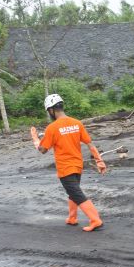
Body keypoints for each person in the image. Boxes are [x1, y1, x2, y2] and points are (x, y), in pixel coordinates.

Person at [30, 94, 106, 232]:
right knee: (73, 192)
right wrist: (99, 161)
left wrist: (35, 139)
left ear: (51, 110)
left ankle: (96, 221)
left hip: (65, 167)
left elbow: (43, 150)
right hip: (77, 165)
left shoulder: (52, 128)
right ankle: (72, 219)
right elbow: (90, 144)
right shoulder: (77, 123)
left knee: (76, 193)